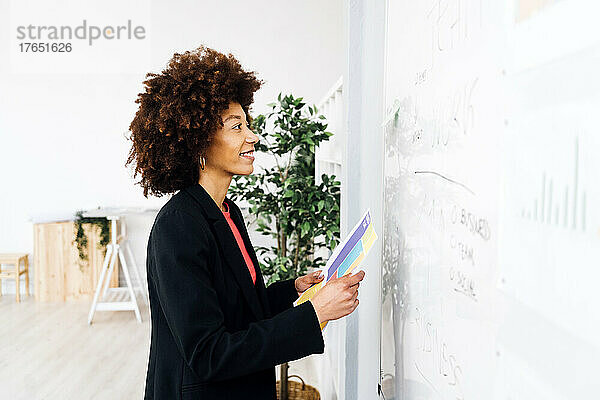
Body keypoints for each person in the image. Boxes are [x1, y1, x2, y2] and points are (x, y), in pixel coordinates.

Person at [126, 45, 365, 399]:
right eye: (236, 127)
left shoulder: (227, 211)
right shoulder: (177, 226)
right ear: (198, 143)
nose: (252, 136)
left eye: (247, 124)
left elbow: (240, 311)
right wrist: (313, 315)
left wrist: (293, 292)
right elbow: (208, 354)